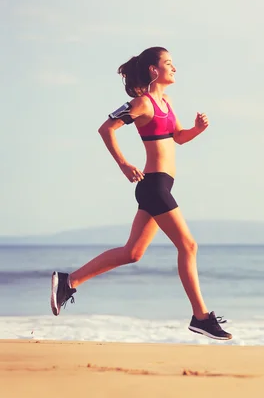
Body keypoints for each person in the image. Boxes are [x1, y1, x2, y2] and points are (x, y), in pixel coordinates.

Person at [50, 46, 232, 341]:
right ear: (153, 70)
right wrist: (123, 164)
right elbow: (106, 128)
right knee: (189, 246)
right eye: (169, 63)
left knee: (132, 253)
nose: (174, 69)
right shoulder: (142, 103)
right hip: (154, 186)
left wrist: (197, 130)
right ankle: (201, 317)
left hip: (160, 186)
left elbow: (179, 138)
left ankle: (68, 282)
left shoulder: (166, 102)